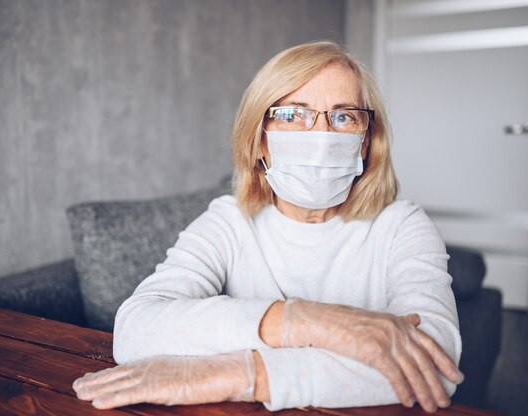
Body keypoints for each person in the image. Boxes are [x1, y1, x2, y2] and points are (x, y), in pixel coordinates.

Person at [72, 40, 463, 413]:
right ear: (260, 142)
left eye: (343, 116)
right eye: (292, 114)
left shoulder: (402, 226)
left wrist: (242, 373)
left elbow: (435, 360)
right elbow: (135, 330)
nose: (322, 135)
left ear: (364, 142)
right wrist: (311, 322)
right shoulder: (229, 221)